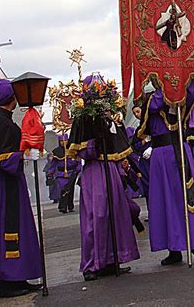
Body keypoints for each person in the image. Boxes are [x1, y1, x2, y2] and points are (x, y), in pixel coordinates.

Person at [67, 75, 140, 281]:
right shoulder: (83, 119)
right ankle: (92, 264)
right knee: (97, 215)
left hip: (111, 169)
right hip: (95, 171)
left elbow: (120, 145)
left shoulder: (112, 118)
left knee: (116, 213)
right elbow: (82, 152)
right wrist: (94, 142)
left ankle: (112, 259)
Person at [137, 81, 194, 265]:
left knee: (187, 198)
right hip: (160, 153)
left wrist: (183, 82)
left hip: (178, 149)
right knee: (164, 201)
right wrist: (168, 88)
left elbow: (192, 95)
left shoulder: (184, 91)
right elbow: (153, 107)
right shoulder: (152, 98)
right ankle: (173, 247)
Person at [0, 78, 42, 297]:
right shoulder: (0, 122)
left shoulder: (4, 120)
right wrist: (23, 154)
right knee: (8, 228)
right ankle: (6, 280)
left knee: (18, 227)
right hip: (4, 187)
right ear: (8, 98)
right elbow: (3, 158)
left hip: (11, 183)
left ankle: (18, 277)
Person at [47, 134, 82, 214]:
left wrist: (78, 169)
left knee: (70, 189)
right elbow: (53, 164)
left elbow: (78, 161)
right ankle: (63, 207)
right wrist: (50, 172)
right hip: (61, 174)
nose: (63, 142)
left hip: (72, 172)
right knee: (64, 189)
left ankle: (70, 206)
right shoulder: (56, 151)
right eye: (61, 141)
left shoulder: (72, 149)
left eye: (65, 140)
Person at [131, 104, 151, 211]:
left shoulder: (153, 123)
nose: (136, 115)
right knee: (147, 186)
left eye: (137, 112)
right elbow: (134, 146)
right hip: (144, 160)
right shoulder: (138, 129)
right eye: (134, 114)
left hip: (155, 156)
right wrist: (144, 141)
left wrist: (152, 146)